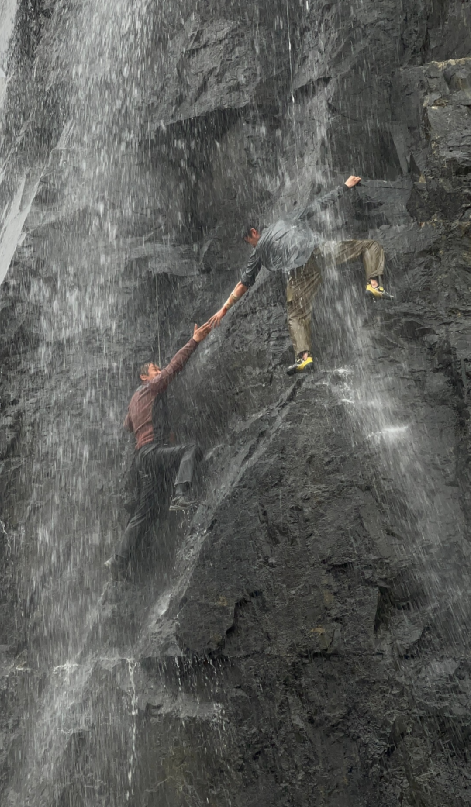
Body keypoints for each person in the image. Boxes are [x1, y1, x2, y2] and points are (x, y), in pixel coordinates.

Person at [209, 176, 393, 373]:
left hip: (299, 272)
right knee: (369, 246)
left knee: (297, 315)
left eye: (249, 242)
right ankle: (374, 285)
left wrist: (223, 310)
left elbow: (243, 284)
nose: (252, 246)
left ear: (254, 233)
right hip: (318, 251)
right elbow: (317, 205)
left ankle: (304, 358)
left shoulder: (259, 250)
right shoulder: (286, 220)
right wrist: (344, 187)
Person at [106, 321, 212, 574]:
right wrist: (195, 340)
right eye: (155, 369)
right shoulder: (150, 387)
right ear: (145, 377)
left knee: (145, 512)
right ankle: (180, 494)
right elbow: (174, 367)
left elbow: (127, 425)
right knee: (191, 449)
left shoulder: (135, 399)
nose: (160, 371)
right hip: (152, 452)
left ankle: (118, 561)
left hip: (142, 460)